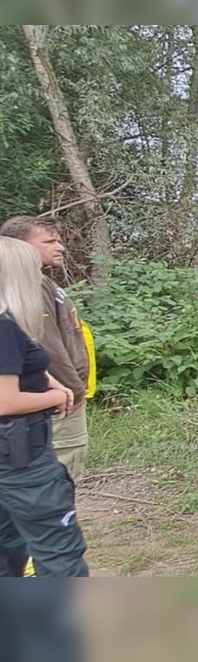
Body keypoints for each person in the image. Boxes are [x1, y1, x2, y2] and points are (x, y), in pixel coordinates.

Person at [0, 236, 89, 577]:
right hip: (21, 454)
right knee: (58, 550)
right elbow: (5, 401)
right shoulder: (5, 328)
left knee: (7, 545)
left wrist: (43, 378)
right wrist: (58, 396)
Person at [0, 217, 91, 478]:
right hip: (55, 399)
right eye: (49, 241)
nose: (59, 247)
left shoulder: (45, 283)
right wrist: (70, 391)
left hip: (58, 392)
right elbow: (47, 346)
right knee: (60, 471)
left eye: (59, 240)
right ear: (19, 247)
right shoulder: (29, 290)